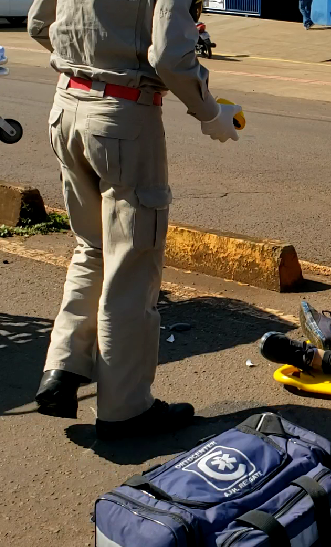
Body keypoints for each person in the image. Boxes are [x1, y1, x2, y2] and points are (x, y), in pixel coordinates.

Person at [29, 0, 242, 439]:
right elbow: (168, 56)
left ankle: (62, 369)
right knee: (131, 263)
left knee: (91, 247)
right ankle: (125, 410)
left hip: (66, 105)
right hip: (121, 116)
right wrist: (211, 114)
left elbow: (38, 24)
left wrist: (88, 57)